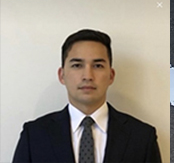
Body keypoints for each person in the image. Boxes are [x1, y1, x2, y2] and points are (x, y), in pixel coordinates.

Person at [12, 29, 162, 163]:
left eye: (98, 66)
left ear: (111, 76)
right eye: (77, 65)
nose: (88, 76)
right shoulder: (34, 135)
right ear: (62, 75)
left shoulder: (142, 137)